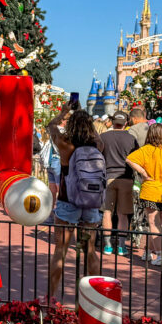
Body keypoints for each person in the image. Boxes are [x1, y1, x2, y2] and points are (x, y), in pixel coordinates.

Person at [47, 105, 102, 303]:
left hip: (67, 201)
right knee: (90, 250)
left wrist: (64, 112)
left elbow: (51, 126)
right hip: (91, 202)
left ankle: (51, 298)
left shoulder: (65, 144)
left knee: (60, 252)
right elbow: (97, 137)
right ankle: (92, 299)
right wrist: (89, 123)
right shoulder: (97, 145)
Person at [126, 123, 162, 267]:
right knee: (158, 224)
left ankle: (159, 255)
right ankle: (148, 251)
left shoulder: (147, 149)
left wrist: (143, 173)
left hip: (151, 191)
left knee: (153, 223)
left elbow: (129, 159)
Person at [98, 111, 136, 256]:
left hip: (108, 177)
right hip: (126, 177)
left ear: (113, 122)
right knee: (123, 214)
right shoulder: (131, 138)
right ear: (126, 123)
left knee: (107, 212)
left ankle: (108, 246)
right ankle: (121, 246)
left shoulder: (103, 137)